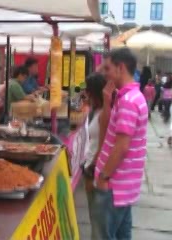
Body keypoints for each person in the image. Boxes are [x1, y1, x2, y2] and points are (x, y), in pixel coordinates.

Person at [91, 48, 148, 240]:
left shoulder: (128, 101)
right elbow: (108, 131)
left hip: (114, 186)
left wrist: (104, 176)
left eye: (108, 68)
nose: (104, 72)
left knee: (103, 236)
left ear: (120, 68)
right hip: (124, 187)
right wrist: (108, 101)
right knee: (122, 235)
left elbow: (122, 146)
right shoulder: (129, 97)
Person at [82, 73, 107, 237]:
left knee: (97, 220)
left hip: (94, 169)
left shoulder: (105, 113)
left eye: (88, 90)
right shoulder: (97, 110)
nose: (85, 93)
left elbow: (105, 144)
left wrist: (92, 168)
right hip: (91, 165)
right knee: (95, 217)